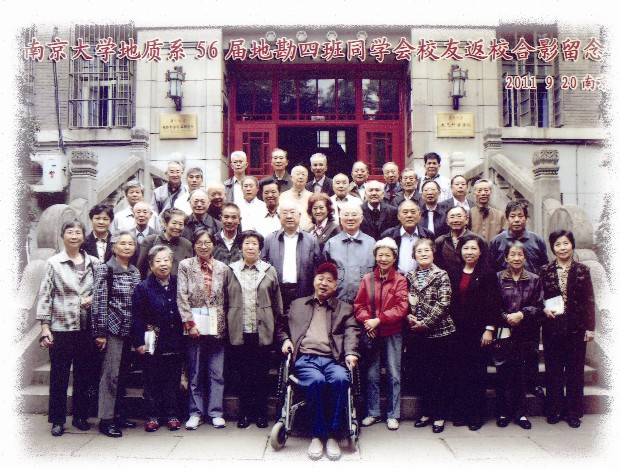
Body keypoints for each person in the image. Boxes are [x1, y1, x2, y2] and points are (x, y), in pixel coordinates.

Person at [276, 262, 360, 461]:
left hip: (333, 360)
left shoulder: (344, 308)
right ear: (314, 281)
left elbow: (352, 332)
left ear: (335, 286)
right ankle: (317, 434)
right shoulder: (297, 305)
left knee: (341, 379)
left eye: (329, 281)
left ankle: (332, 435)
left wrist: (350, 353)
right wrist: (285, 340)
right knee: (316, 381)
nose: (324, 283)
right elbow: (280, 326)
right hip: (306, 359)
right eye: (320, 279)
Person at [36, 220, 98, 437]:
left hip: (86, 327)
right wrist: (45, 327)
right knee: (59, 375)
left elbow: (101, 290)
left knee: (83, 375)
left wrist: (92, 298)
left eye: (78, 232)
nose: (74, 236)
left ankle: (80, 416)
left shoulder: (94, 262)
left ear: (83, 236)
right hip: (61, 326)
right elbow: (46, 295)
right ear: (63, 236)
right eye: (69, 232)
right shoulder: (53, 263)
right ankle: (57, 419)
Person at [489, 200, 549, 398]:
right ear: (507, 218)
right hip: (506, 301)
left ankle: (532, 383)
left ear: (526, 218)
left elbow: (544, 267)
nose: (516, 220)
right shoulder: (497, 241)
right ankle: (506, 387)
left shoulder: (536, 240)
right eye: (512, 216)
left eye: (520, 216)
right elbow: (491, 268)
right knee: (506, 349)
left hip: (530, 300)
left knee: (531, 348)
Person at [224, 230, 283, 429]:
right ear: (240, 248)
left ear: (260, 248)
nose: (250, 247)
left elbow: (277, 303)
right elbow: (225, 300)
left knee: (261, 375)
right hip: (239, 331)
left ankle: (260, 414)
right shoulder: (231, 270)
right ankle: (244, 414)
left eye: (254, 244)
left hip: (262, 332)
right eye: (247, 243)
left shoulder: (269, 270)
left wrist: (276, 327)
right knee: (242, 375)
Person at [540, 230, 595, 429]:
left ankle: (573, 412)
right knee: (553, 370)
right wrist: (544, 308)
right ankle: (554, 410)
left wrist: (590, 328)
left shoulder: (582, 270)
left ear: (572, 245)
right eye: (557, 244)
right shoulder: (545, 270)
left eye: (565, 243)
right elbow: (540, 297)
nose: (562, 248)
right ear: (552, 248)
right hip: (553, 326)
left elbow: (589, 299)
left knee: (575, 371)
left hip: (576, 327)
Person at [354, 238, 408, 431]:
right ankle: (373, 412)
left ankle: (393, 414)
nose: (383, 259)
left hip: (393, 332)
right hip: (372, 333)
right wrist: (368, 322)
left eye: (387, 255)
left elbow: (402, 307)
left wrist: (380, 320)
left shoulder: (400, 280)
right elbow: (358, 305)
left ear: (394, 257)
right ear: (375, 257)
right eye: (380, 255)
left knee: (394, 373)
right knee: (372, 374)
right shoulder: (367, 279)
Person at [177, 229, 229, 430]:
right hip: (194, 327)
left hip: (216, 327)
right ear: (194, 245)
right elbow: (182, 295)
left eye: (207, 242)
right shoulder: (185, 266)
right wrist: (189, 324)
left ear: (213, 245)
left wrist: (223, 324)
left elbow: (226, 297)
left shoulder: (222, 268)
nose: (203, 246)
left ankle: (216, 412)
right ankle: (195, 412)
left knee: (217, 372)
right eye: (199, 242)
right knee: (195, 372)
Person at [92, 231, 142, 437]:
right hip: (112, 330)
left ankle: (119, 414)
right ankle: (106, 419)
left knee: (122, 376)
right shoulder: (105, 269)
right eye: (123, 243)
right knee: (110, 375)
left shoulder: (135, 271)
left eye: (130, 244)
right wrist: (100, 332)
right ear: (114, 248)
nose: (127, 247)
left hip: (129, 330)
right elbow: (99, 302)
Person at [448, 234, 500, 430]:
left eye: (473, 248)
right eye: (465, 248)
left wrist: (489, 329)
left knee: (477, 373)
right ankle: (461, 413)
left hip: (479, 332)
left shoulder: (488, 273)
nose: (469, 252)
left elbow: (493, 303)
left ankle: (476, 416)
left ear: (480, 251)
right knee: (459, 372)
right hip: (457, 331)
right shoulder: (453, 272)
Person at [131, 245, 184, 432]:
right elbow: (137, 316)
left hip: (175, 337)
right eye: (158, 261)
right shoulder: (143, 287)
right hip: (151, 336)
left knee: (173, 378)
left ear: (172, 262)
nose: (163, 264)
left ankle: (172, 415)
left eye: (166, 260)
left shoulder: (178, 283)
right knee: (152, 377)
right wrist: (139, 342)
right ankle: (153, 416)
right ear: (151, 265)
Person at [405, 238, 454, 434]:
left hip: (439, 333)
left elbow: (444, 303)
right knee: (423, 375)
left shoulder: (441, 274)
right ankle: (426, 412)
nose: (423, 254)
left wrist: (424, 324)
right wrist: (409, 317)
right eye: (419, 251)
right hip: (417, 335)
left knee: (439, 376)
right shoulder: (409, 276)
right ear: (414, 255)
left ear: (433, 254)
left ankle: (439, 415)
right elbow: (406, 301)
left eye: (427, 250)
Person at [495, 241, 544, 430]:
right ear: (506, 258)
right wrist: (505, 317)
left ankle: (521, 413)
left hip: (525, 333)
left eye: (520, 255)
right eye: (512, 255)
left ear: (525, 257)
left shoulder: (534, 279)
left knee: (521, 375)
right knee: (502, 373)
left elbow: (539, 305)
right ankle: (502, 412)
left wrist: (522, 314)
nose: (516, 258)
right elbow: (493, 304)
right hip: (503, 331)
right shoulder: (498, 278)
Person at [262, 200, 320, 313]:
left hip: (303, 292)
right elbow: (263, 267)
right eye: (284, 213)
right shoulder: (269, 240)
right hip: (276, 292)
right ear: (279, 217)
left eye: (292, 212)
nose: (289, 216)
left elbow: (316, 270)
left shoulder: (311, 241)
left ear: (299, 215)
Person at [323, 202, 375, 304]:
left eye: (354, 215)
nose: (350, 218)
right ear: (340, 219)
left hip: (365, 303)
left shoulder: (371, 244)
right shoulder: (331, 244)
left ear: (361, 218)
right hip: (337, 302)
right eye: (346, 215)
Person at [380, 199, 433, 274]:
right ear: (399, 216)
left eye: (413, 212)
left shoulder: (428, 235)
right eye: (405, 212)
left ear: (419, 215)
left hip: (421, 278)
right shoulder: (388, 235)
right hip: (395, 279)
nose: (409, 215)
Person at [137, 208, 193, 278]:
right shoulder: (150, 241)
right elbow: (140, 269)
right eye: (174, 223)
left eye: (181, 224)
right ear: (165, 223)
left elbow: (189, 271)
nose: (177, 227)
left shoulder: (186, 245)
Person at [435, 206, 483, 277]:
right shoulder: (440, 241)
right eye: (452, 217)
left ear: (467, 219)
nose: (455, 220)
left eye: (459, 216)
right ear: (447, 221)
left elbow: (484, 265)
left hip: (470, 280)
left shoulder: (477, 240)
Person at [469, 179, 507, 244]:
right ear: (474, 193)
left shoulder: (500, 215)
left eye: (486, 190)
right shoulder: (469, 214)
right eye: (479, 191)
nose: (483, 193)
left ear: (490, 192)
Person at [279, 165, 314, 230]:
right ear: (291, 177)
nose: (300, 177)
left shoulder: (312, 197)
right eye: (297, 174)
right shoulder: (283, 196)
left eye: (303, 174)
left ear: (307, 179)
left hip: (309, 233)